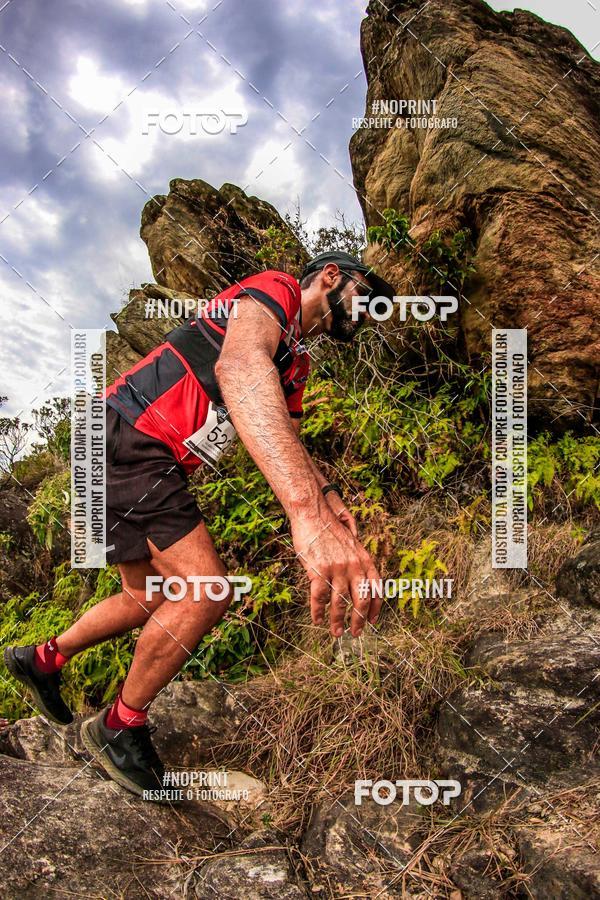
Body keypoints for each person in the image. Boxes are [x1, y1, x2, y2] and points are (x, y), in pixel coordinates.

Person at [4, 251, 394, 798]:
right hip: (130, 437)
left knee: (147, 595)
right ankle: (118, 727)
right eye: (369, 298)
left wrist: (326, 495)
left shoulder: (297, 362)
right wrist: (305, 517)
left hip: (120, 442)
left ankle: (40, 659)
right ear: (331, 277)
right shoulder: (274, 293)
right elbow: (238, 368)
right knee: (207, 591)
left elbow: (291, 438)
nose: (371, 314)